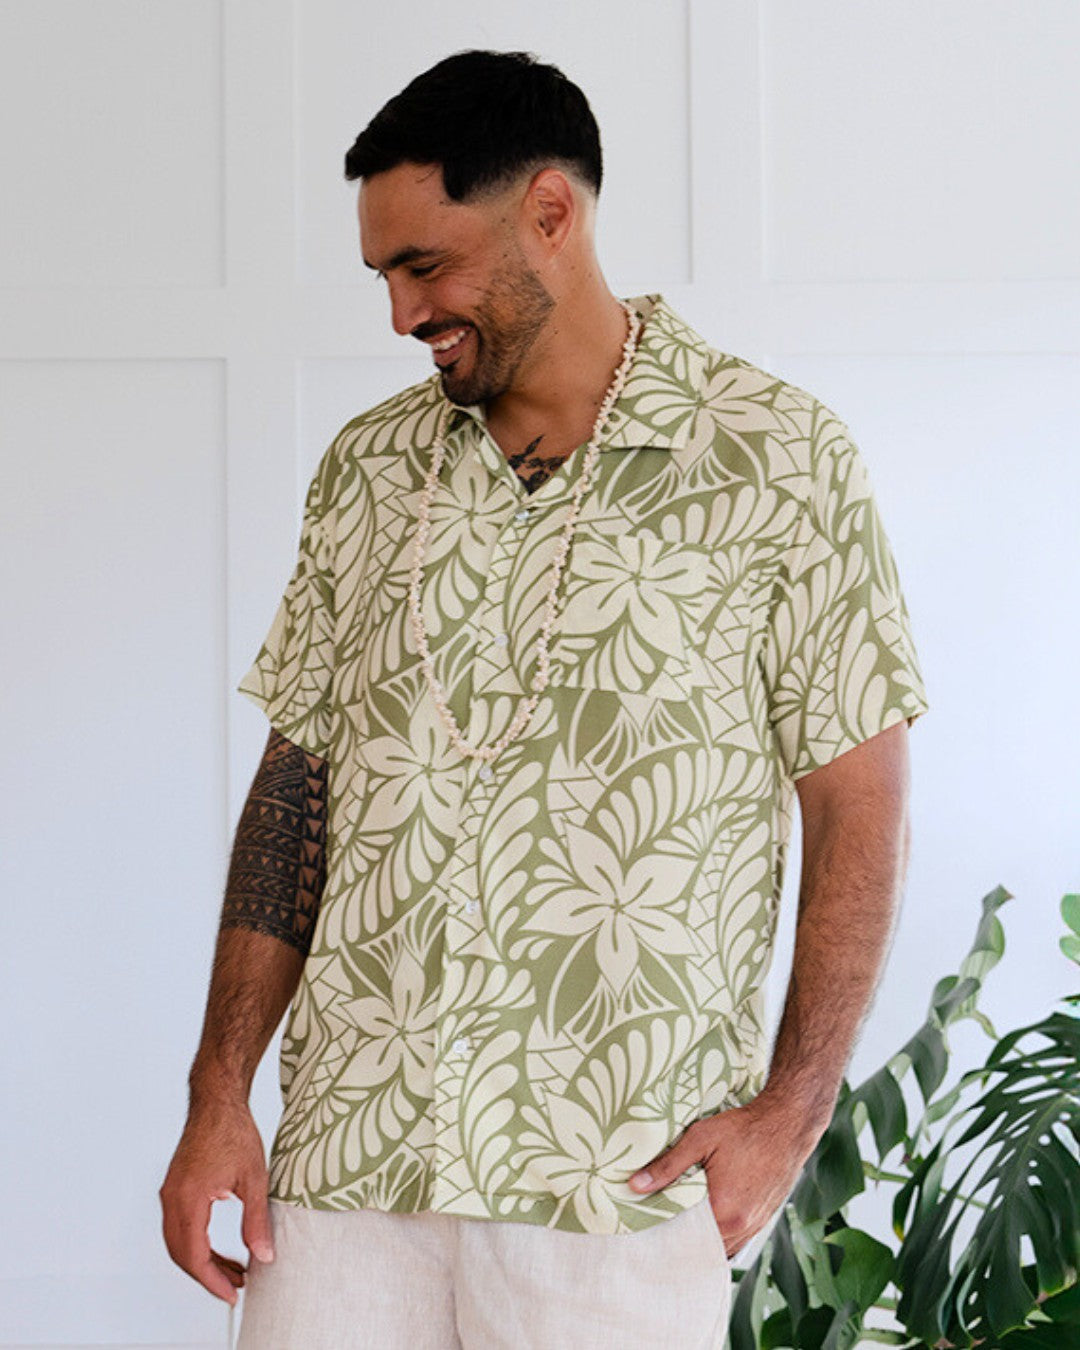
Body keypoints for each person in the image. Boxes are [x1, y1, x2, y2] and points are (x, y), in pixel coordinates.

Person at [160, 49, 928, 1349]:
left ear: (552, 215)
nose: (403, 315)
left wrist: (794, 1112)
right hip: (355, 1166)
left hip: (611, 1184)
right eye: (384, 276)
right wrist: (217, 1090)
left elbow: (860, 801)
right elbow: (299, 786)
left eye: (427, 266)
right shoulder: (368, 471)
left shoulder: (774, 458)